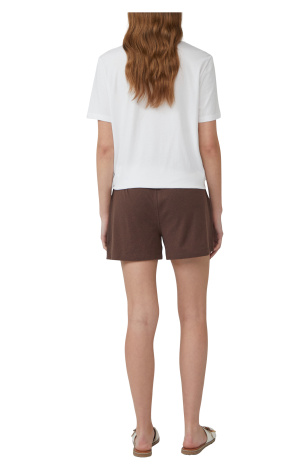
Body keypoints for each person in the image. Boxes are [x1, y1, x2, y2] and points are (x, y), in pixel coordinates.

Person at [87, 12, 223, 457]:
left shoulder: (110, 63)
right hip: (187, 194)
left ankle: (143, 434)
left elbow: (105, 148)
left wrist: (105, 212)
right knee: (193, 315)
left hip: (130, 196)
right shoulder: (199, 61)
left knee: (140, 317)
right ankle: (192, 432)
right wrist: (216, 210)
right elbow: (208, 145)